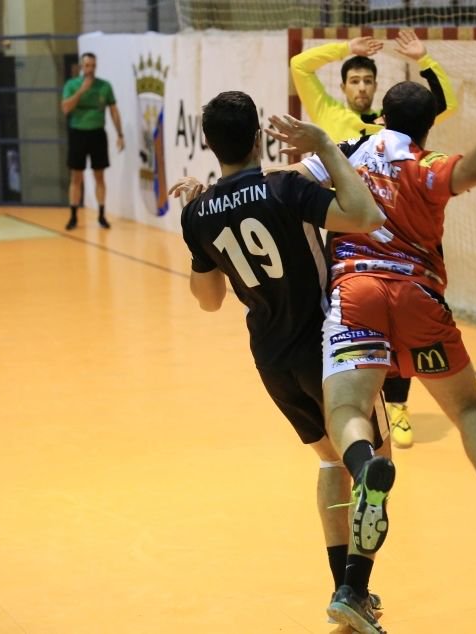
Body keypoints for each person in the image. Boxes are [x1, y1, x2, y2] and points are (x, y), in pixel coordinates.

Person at [297, 76, 476, 632]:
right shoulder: (425, 165)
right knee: (467, 410)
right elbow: (474, 170)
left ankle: (365, 470)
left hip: (358, 292)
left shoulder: (349, 154)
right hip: (419, 298)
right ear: (430, 124)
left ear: (380, 115)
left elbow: (286, 190)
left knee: (348, 412)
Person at [169, 91, 390, 631]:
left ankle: (344, 592)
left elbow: (208, 299)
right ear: (259, 138)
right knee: (370, 459)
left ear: (208, 143)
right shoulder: (285, 187)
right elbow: (364, 214)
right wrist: (323, 148)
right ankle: (355, 586)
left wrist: (199, 226)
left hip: (271, 358)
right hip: (326, 344)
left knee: (327, 463)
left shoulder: (197, 212)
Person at [291, 28, 458, 449]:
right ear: (344, 87)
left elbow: (446, 104)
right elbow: (299, 65)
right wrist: (347, 49)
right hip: (352, 241)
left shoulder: (392, 124)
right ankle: (356, 403)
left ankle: (398, 406)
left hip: (402, 236)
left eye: (368, 81)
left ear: (377, 89)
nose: (362, 87)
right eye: (355, 81)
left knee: (406, 323)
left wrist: (425, 59)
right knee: (354, 324)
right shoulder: (330, 115)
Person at [61, 52, 124, 230]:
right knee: (76, 176)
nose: (90, 69)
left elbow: (113, 110)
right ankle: (73, 215)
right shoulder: (72, 85)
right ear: (81, 67)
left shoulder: (104, 86)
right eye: (87, 66)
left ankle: (102, 214)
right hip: (78, 133)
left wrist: (120, 134)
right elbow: (66, 108)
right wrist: (81, 91)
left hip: (97, 134)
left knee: (99, 176)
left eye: (93, 66)